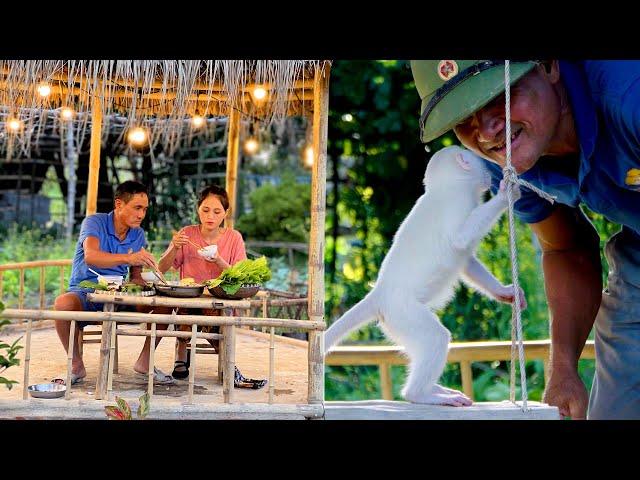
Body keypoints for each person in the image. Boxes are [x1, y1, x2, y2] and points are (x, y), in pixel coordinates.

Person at [411, 60, 640, 419]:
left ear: (548, 65)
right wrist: (563, 368)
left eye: (500, 96)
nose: (487, 131)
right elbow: (567, 246)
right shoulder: (505, 161)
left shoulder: (630, 97)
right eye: (463, 118)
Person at [52, 181, 173, 385]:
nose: (141, 214)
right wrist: (128, 258)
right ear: (119, 204)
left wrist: (151, 282)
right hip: (86, 292)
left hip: (120, 293)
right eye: (137, 208)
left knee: (165, 304)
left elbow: (135, 277)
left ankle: (144, 361)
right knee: (62, 304)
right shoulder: (94, 222)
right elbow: (91, 256)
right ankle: (76, 366)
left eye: (144, 209)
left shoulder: (138, 234)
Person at [157, 184, 267, 389]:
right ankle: (189, 355)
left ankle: (226, 365)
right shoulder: (187, 234)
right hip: (189, 298)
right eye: (205, 210)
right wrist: (174, 247)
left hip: (220, 300)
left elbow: (239, 278)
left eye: (217, 211)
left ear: (226, 213)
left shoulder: (234, 238)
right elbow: (161, 268)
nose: (210, 216)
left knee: (211, 314)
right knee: (189, 310)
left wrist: (218, 260)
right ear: (198, 209)